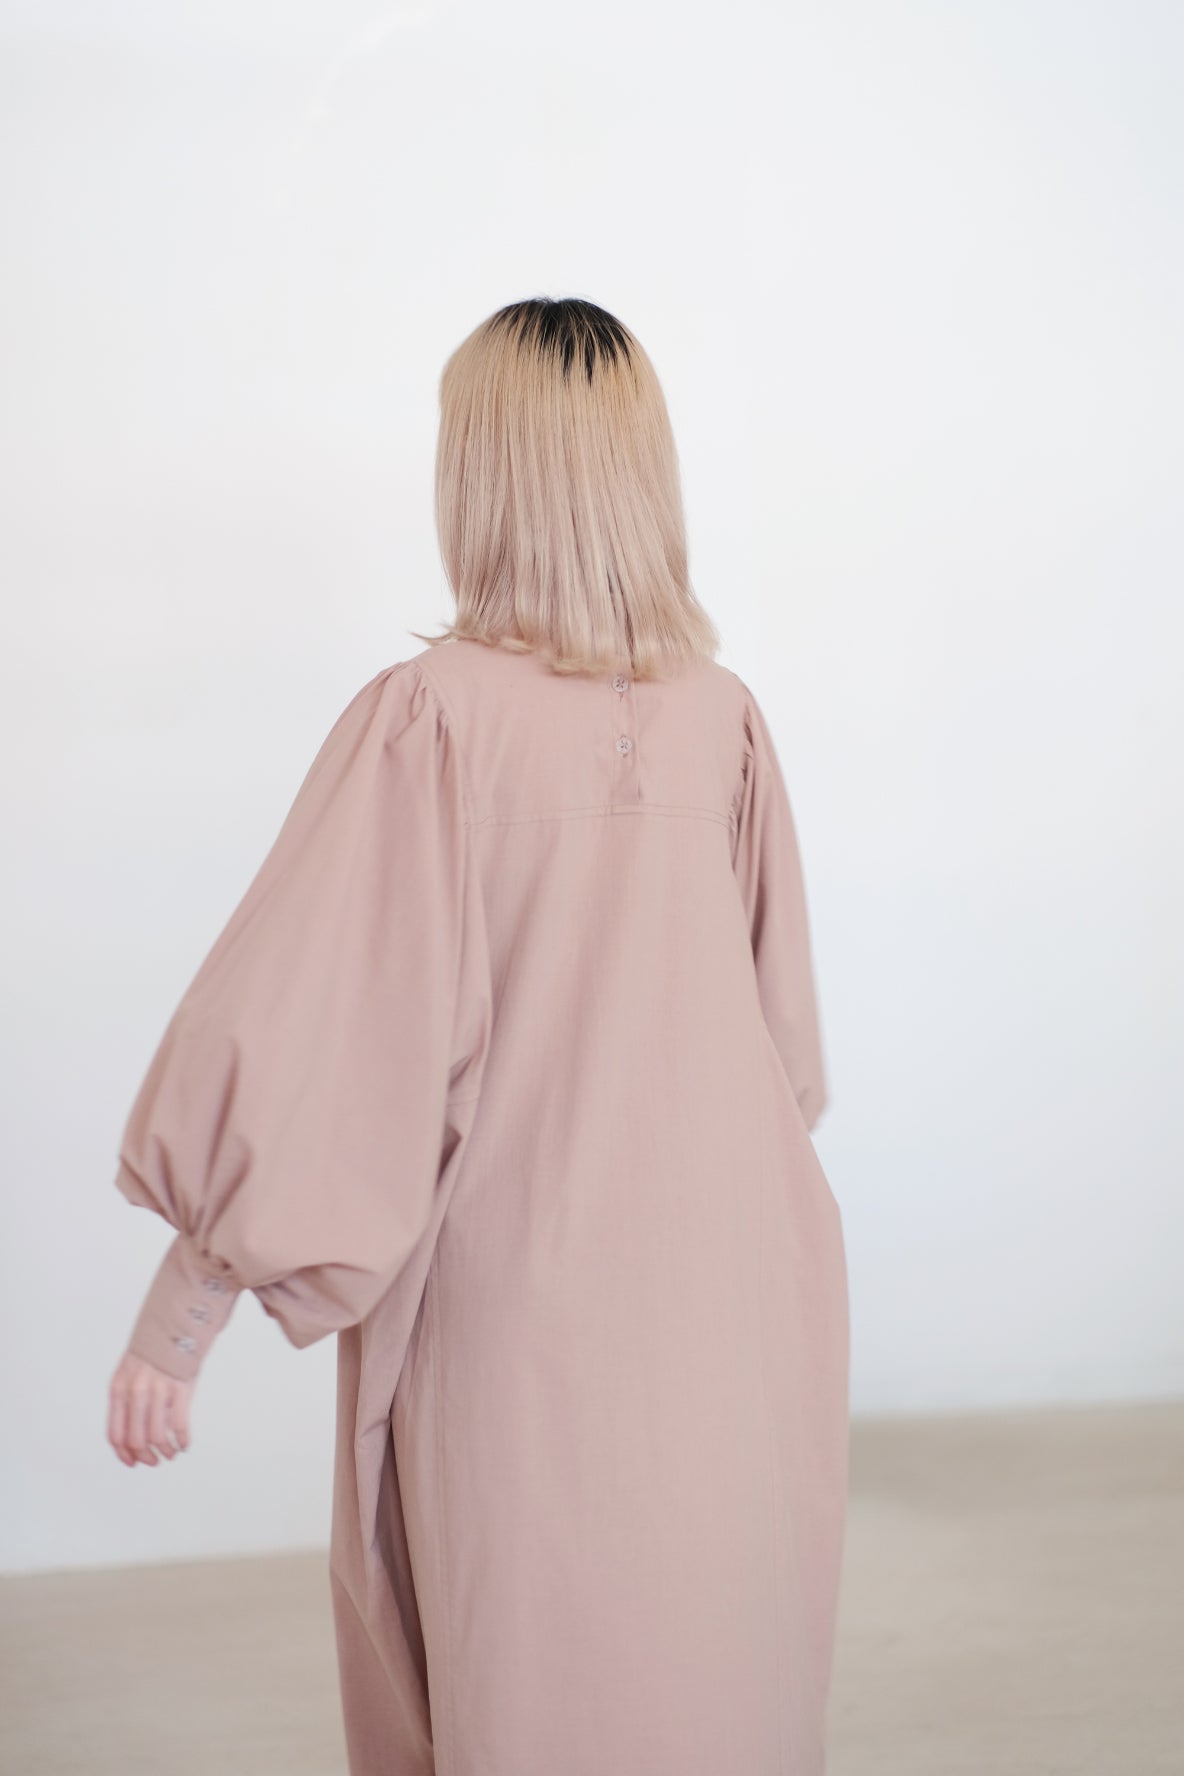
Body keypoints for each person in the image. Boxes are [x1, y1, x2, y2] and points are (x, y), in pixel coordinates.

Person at [107, 296, 851, 1776]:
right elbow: (788, 1063)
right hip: (745, 1300)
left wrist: (181, 1313)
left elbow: (326, 1034)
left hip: (530, 1326)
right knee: (722, 1696)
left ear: (481, 472)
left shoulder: (432, 720)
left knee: (529, 1696)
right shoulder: (726, 718)